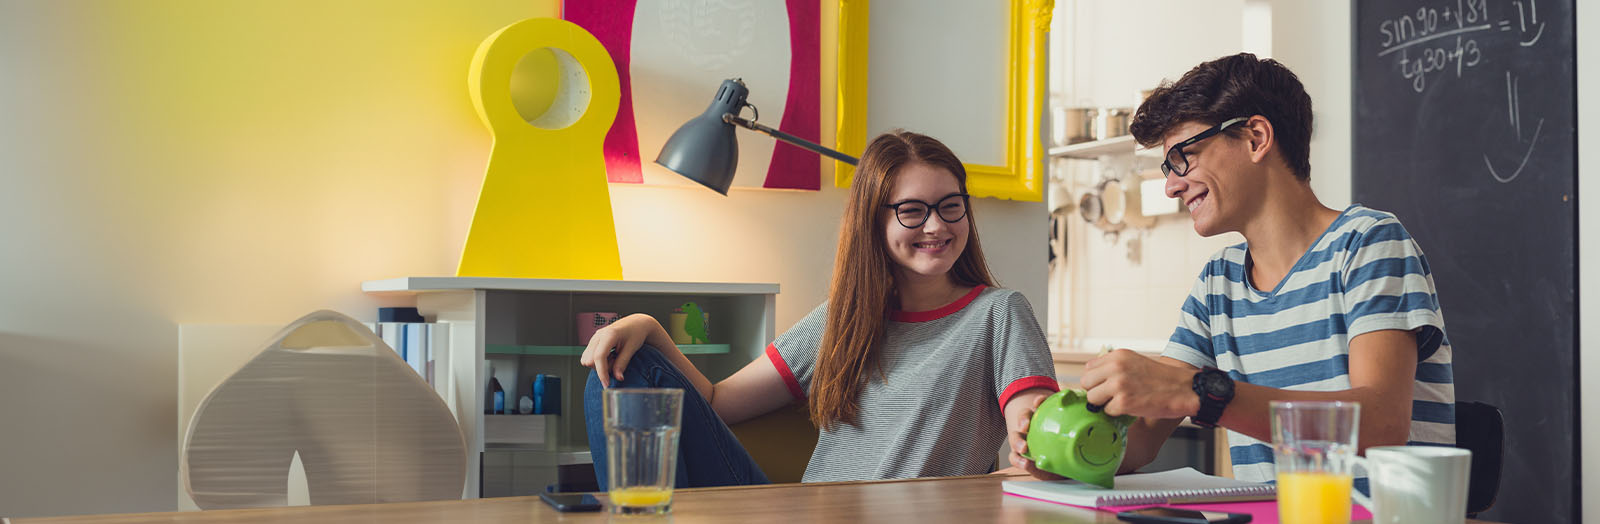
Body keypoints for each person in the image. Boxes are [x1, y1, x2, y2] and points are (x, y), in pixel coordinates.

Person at [1012, 53, 1455, 489]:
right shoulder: (1218, 282)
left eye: (1184, 156)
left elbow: (1381, 423)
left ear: (1256, 138)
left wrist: (1200, 393)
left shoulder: (1368, 243)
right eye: (1168, 168)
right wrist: (1066, 450)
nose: (1171, 186)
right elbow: (1142, 439)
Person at [579, 131, 1059, 489]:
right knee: (620, 367)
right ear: (875, 222)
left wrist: (1036, 449)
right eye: (913, 211)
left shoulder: (999, 314)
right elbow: (718, 403)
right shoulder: (844, 319)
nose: (936, 225)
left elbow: (1036, 439)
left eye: (950, 205)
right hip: (804, 513)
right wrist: (648, 326)